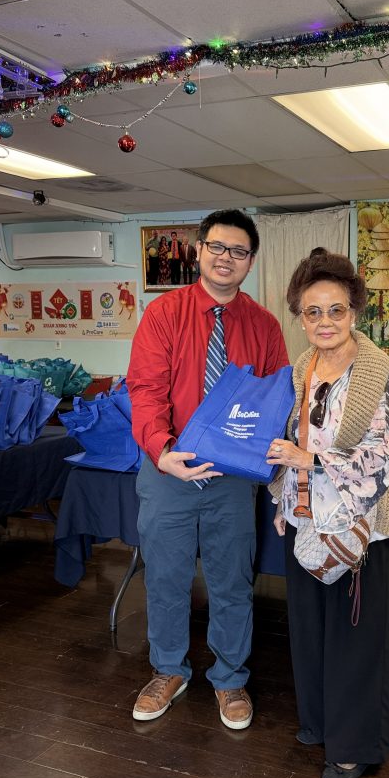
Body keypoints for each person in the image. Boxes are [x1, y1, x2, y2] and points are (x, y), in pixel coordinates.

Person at [267, 248, 389, 778]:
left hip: (363, 523)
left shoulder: (375, 371)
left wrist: (310, 461)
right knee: (311, 630)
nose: (325, 321)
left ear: (354, 312)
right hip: (307, 519)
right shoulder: (302, 369)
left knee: (358, 641)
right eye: (313, 311)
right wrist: (283, 492)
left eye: (335, 310)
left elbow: (385, 452)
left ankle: (354, 747)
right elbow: (290, 439)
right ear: (300, 317)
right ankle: (320, 722)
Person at [127, 209, 289, 730]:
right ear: (198, 251)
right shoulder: (163, 314)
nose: (226, 258)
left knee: (231, 581)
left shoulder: (264, 325)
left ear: (250, 262)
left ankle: (229, 677)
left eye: (238, 251)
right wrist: (162, 451)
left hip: (233, 480)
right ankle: (168, 671)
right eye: (217, 247)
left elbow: (274, 400)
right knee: (166, 579)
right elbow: (145, 391)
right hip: (168, 471)